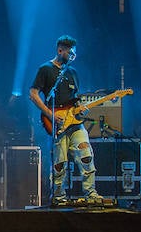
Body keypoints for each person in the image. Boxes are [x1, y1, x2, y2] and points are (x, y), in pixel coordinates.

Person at [29, 35, 103, 206]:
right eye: (70, 53)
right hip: (56, 123)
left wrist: (80, 107)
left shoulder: (74, 73)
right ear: (60, 50)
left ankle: (91, 193)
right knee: (59, 164)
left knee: (86, 156)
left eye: (74, 53)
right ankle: (58, 196)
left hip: (76, 123)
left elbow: (74, 98)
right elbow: (33, 93)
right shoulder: (46, 69)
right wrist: (50, 114)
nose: (72, 56)